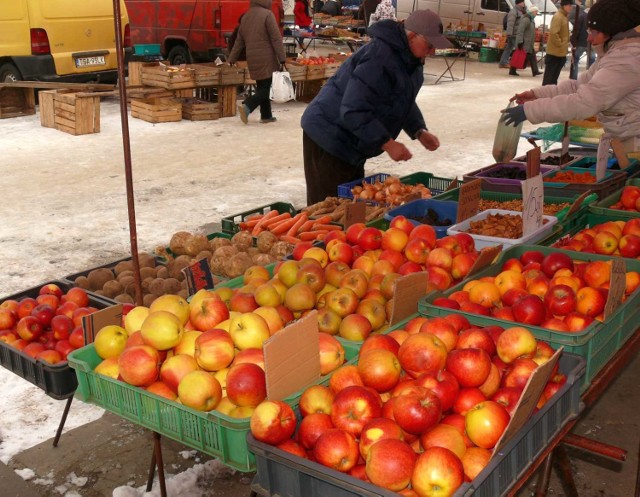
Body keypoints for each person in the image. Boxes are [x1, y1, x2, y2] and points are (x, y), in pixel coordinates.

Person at [301, 10, 451, 204]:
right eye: (429, 45)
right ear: (412, 35)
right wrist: (387, 143)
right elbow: (354, 109)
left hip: (353, 141)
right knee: (328, 209)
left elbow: (401, 98)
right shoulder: (380, 56)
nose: (432, 52)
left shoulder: (410, 59)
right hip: (328, 134)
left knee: (352, 205)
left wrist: (419, 130)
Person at [502, 0, 640, 160]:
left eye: (594, 32)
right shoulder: (615, 54)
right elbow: (579, 86)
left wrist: (531, 110)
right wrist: (538, 95)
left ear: (612, 31)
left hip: (635, 143)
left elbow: (584, 102)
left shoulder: (627, 59)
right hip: (627, 138)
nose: (588, 38)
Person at [228, 0, 286, 124]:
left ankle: (266, 115)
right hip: (267, 58)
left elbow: (239, 42)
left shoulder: (246, 17)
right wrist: (282, 58)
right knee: (268, 88)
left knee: (262, 85)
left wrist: (232, 58)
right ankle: (247, 106)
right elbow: (276, 38)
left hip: (252, 58)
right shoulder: (267, 14)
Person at [542, 0, 573, 85]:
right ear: (564, 6)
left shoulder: (563, 16)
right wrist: (561, 43)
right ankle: (545, 94)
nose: (571, 7)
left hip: (560, 53)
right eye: (569, 5)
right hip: (554, 53)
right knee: (549, 78)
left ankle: (551, 93)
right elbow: (553, 33)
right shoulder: (558, 16)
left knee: (554, 77)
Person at [510, 6, 541, 77]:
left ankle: (535, 71)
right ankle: (512, 70)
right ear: (532, 12)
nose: (536, 14)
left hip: (529, 42)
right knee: (519, 56)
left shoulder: (531, 20)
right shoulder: (526, 19)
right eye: (536, 12)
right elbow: (520, 31)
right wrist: (520, 41)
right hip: (524, 42)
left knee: (531, 56)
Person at [569, 0, 595, 79]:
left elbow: (577, 30)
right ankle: (591, 78)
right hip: (593, 43)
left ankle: (573, 78)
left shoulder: (582, 16)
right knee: (592, 62)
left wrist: (573, 41)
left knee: (575, 61)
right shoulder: (595, 17)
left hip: (581, 43)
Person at [499, 0, 526, 69]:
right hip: (513, 34)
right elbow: (510, 24)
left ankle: (503, 62)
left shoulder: (521, 11)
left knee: (509, 48)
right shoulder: (514, 11)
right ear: (519, 3)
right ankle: (515, 65)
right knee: (518, 49)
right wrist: (509, 34)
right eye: (523, 2)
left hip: (516, 34)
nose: (524, 3)